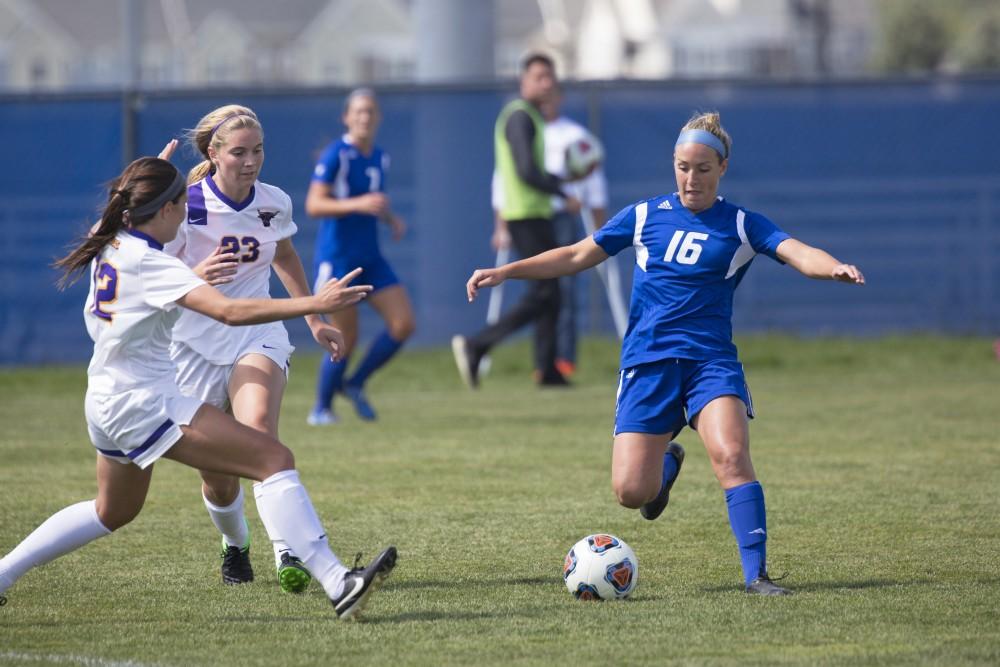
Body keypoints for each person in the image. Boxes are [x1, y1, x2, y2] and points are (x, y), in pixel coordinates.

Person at [463, 112, 865, 595]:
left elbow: (796, 250)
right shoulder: (642, 216)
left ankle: (756, 575)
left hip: (709, 364)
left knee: (732, 455)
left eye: (702, 168)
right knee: (631, 492)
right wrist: (508, 271)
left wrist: (833, 267)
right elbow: (574, 255)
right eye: (682, 166)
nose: (690, 178)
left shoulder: (740, 224)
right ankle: (667, 465)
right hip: (648, 365)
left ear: (722, 169)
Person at [0, 157, 395, 618]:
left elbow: (122, 224)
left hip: (104, 399)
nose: (187, 213)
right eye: (180, 205)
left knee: (112, 511)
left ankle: (3, 572)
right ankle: (336, 581)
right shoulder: (151, 263)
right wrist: (315, 304)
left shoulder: (111, 241)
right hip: (144, 403)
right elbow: (230, 312)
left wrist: (150, 176)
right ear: (163, 211)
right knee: (274, 458)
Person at [164, 105, 338, 594]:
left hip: (255, 333)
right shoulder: (185, 205)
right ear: (213, 153)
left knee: (259, 433)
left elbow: (283, 254)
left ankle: (289, 550)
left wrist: (314, 319)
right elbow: (150, 272)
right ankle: (236, 545)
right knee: (218, 479)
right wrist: (196, 278)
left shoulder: (274, 202)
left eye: (257, 150)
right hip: (192, 348)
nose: (250, 160)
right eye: (239, 151)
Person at [452, 52, 582, 389]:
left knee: (551, 293)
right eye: (539, 76)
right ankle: (477, 344)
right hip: (525, 215)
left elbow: (531, 169)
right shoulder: (520, 116)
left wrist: (559, 178)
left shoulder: (533, 118)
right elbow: (525, 171)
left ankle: (547, 370)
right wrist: (561, 189)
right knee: (545, 291)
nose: (546, 82)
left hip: (535, 213)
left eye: (550, 76)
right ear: (523, 81)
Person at [305, 88, 415, 425]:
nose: (365, 117)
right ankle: (321, 408)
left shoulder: (379, 156)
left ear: (378, 117)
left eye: (370, 111)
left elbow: (371, 201)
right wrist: (358, 204)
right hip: (338, 258)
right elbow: (314, 205)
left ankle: (355, 382)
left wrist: (389, 218)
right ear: (347, 117)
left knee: (403, 324)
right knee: (345, 336)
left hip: (372, 256)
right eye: (359, 112)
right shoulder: (336, 155)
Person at [491, 85, 609, 378]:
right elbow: (509, 175)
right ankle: (535, 362)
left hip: (562, 215)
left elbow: (592, 180)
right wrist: (500, 223)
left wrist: (599, 223)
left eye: (553, 90)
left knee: (559, 291)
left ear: (559, 96)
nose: (548, 97)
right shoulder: (522, 120)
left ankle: (560, 361)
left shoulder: (574, 134)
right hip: (532, 215)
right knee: (544, 290)